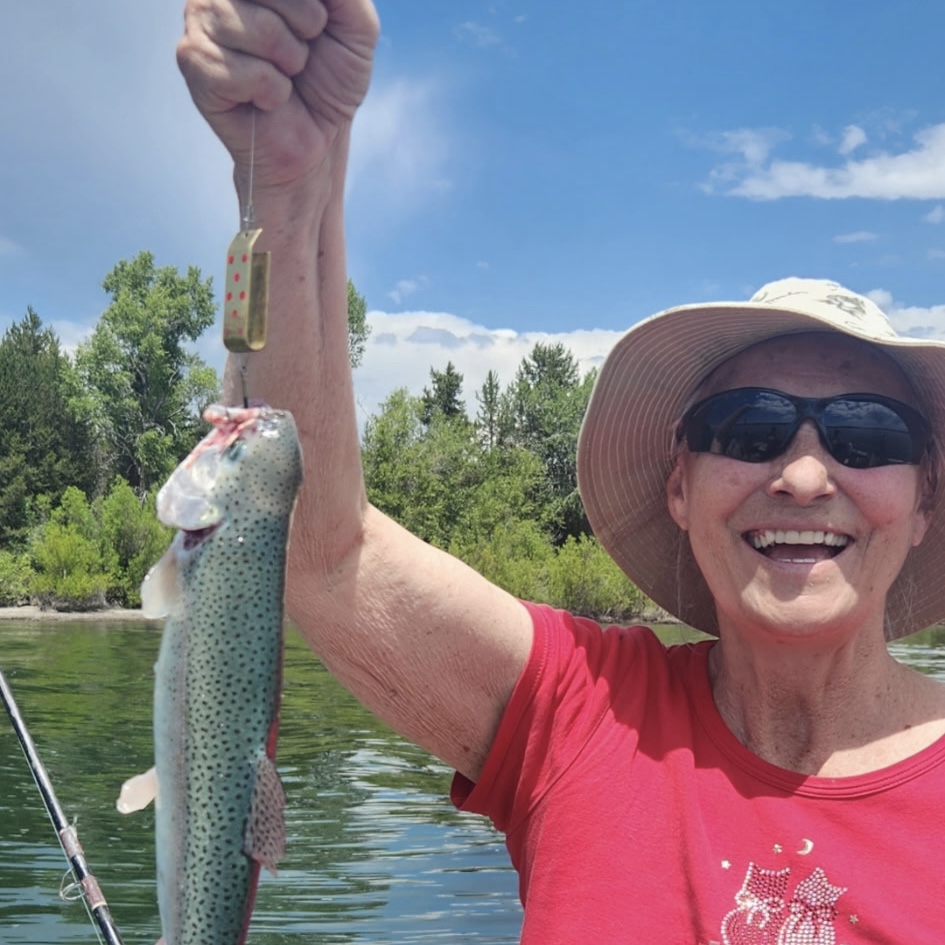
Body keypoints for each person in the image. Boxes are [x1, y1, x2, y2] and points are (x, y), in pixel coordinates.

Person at [177, 2, 945, 940]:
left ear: (922, 500)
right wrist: (291, 187)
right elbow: (321, 551)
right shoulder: (582, 708)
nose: (804, 475)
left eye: (866, 435)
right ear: (679, 485)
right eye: (749, 428)